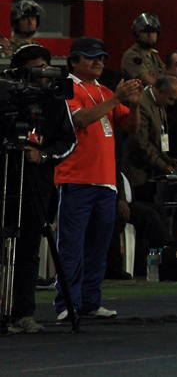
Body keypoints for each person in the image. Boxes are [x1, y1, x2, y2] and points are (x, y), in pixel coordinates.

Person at [55, 37, 142, 321]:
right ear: (74, 61)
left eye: (102, 57)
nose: (99, 62)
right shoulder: (67, 88)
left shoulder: (104, 90)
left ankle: (90, 302)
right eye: (91, 57)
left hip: (105, 181)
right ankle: (67, 303)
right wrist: (117, 99)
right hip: (77, 178)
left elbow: (130, 126)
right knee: (72, 245)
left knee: (99, 246)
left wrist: (136, 104)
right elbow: (79, 120)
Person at [4, 45, 76, 334]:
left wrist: (43, 155)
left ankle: (23, 313)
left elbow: (68, 141)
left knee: (29, 248)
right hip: (6, 178)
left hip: (36, 183)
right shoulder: (6, 95)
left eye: (46, 66)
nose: (42, 74)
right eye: (36, 67)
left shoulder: (56, 100)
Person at [123, 74, 177, 203]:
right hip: (136, 173)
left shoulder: (159, 103)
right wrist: (163, 165)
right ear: (160, 91)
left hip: (150, 171)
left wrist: (167, 159)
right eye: (171, 99)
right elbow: (140, 143)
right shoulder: (142, 103)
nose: (172, 104)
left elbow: (161, 134)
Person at [121, 13, 165, 86]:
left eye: (153, 32)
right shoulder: (132, 55)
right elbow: (150, 82)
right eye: (145, 32)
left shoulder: (154, 55)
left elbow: (165, 77)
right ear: (137, 34)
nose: (150, 35)